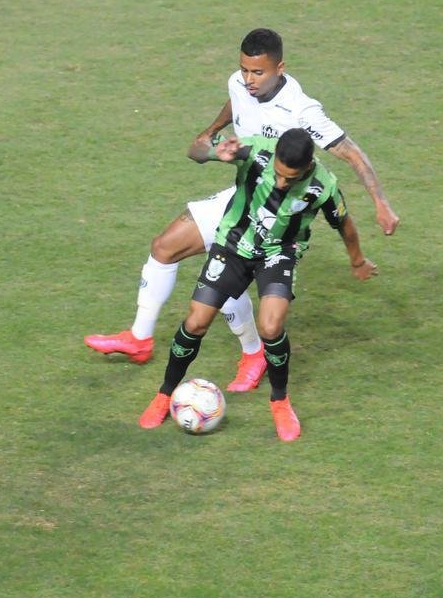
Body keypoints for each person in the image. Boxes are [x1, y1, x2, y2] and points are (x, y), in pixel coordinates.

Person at [85, 29, 398, 393]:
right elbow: (234, 107)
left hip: (274, 214)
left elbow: (350, 152)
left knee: (229, 275)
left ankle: (254, 354)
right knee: (164, 247)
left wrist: (381, 202)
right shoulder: (238, 83)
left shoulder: (302, 110)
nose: (248, 80)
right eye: (244, 70)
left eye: (258, 73)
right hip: (241, 197)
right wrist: (212, 133)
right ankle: (140, 339)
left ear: (280, 68)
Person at [138, 128, 377, 441]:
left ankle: (280, 401)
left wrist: (357, 261)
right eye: (277, 174)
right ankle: (164, 395)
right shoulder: (253, 150)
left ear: (307, 168)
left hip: (278, 254)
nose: (280, 183)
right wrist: (213, 153)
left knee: (271, 327)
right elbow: (194, 152)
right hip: (233, 245)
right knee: (195, 323)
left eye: (290, 179)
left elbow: (344, 224)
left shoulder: (323, 186)